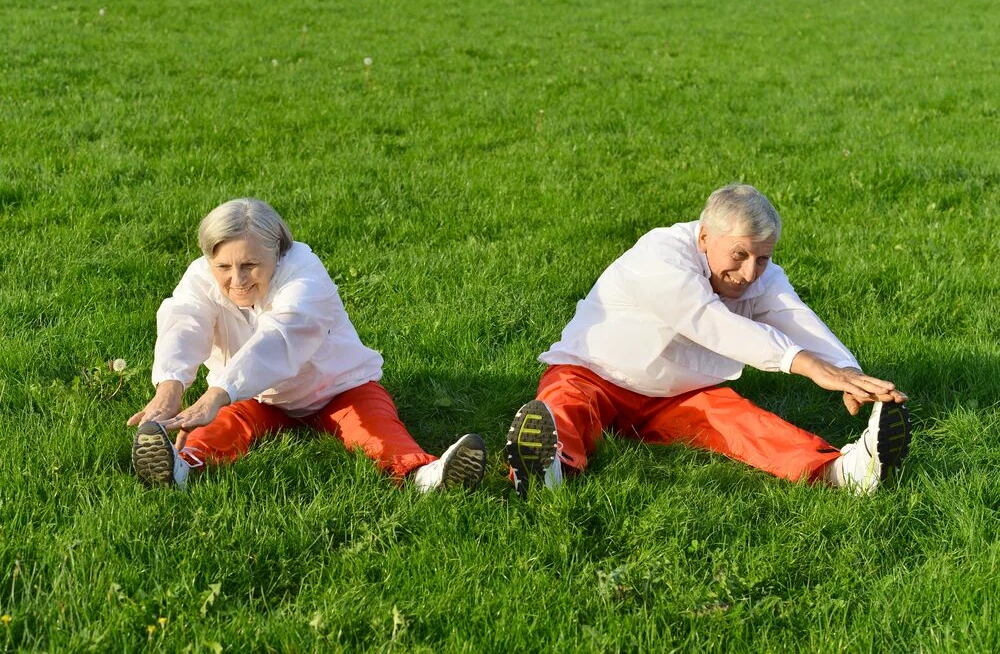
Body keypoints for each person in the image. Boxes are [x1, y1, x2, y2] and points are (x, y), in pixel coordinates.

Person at [505, 183, 911, 497]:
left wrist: (847, 372)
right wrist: (805, 365)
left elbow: (794, 317)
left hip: (675, 395)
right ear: (704, 238)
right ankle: (547, 470)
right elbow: (708, 321)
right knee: (563, 405)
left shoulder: (758, 272)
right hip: (593, 374)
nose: (751, 272)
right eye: (739, 255)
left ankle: (842, 472)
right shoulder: (659, 256)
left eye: (763, 258)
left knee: (736, 419)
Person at [128, 198, 486, 491]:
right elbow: (184, 321)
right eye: (223, 266)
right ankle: (180, 468)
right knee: (215, 427)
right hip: (254, 397)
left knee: (374, 430)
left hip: (339, 391)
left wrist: (215, 395)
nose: (236, 279)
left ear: (279, 252)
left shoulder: (305, 274)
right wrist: (170, 386)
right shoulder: (203, 274)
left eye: (250, 265)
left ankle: (426, 476)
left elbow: (280, 337)